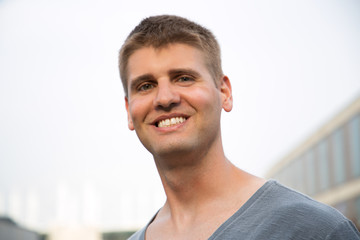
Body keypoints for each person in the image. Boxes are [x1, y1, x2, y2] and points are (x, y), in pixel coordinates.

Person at [118, 15, 360, 240]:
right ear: (129, 110)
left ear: (224, 92)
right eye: (145, 86)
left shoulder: (317, 230)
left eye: (184, 78)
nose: (165, 98)